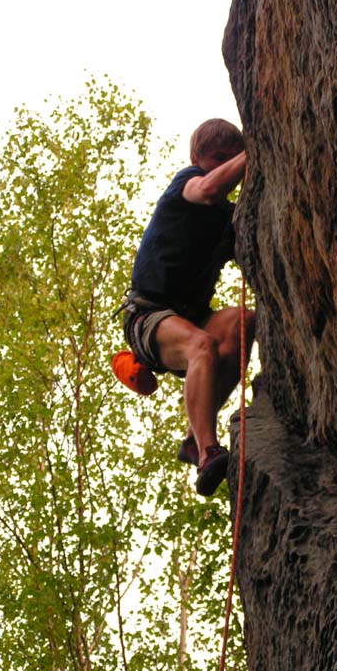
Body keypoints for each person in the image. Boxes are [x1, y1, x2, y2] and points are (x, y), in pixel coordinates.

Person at [112, 119, 255, 497]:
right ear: (197, 158)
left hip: (189, 316)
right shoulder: (188, 182)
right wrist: (252, 153)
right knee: (202, 345)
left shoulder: (226, 217)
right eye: (217, 158)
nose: (222, 166)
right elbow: (207, 188)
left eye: (229, 158)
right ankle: (208, 453)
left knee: (243, 322)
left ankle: (194, 435)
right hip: (149, 315)